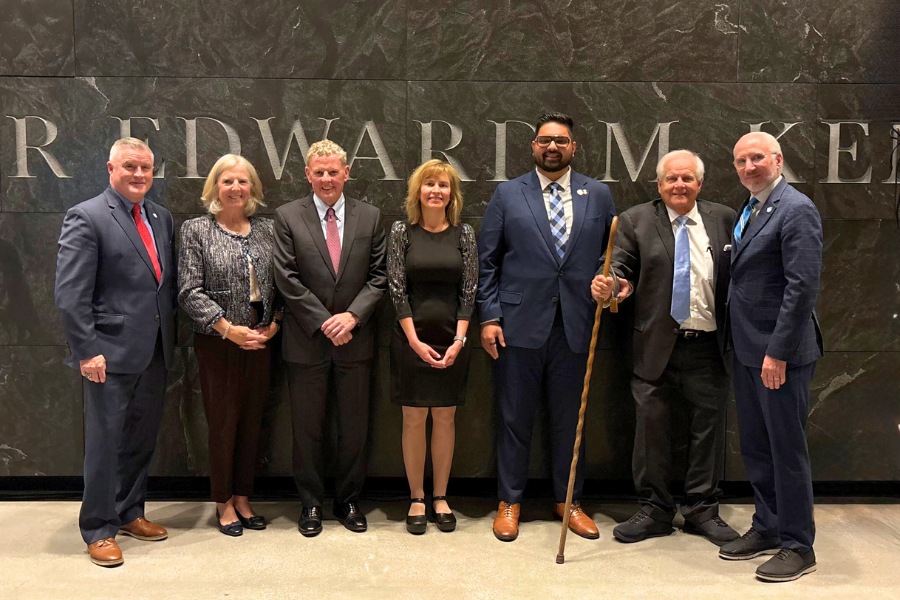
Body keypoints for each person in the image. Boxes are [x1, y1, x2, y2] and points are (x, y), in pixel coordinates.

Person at [477, 113, 615, 542]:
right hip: (517, 325)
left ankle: (568, 500)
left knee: (570, 420)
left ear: (574, 147)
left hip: (576, 324)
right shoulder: (507, 194)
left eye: (561, 141)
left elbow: (611, 256)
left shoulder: (598, 194)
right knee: (515, 417)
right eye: (544, 140)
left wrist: (611, 285)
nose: (552, 147)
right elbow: (487, 262)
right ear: (533, 146)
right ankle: (510, 501)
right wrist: (490, 316)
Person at [591, 150, 739, 546]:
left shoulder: (724, 218)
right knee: (650, 432)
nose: (679, 185)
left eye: (687, 178)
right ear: (658, 184)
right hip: (654, 346)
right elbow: (618, 267)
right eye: (672, 179)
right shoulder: (636, 220)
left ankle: (701, 510)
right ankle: (654, 509)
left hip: (709, 346)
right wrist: (613, 285)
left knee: (707, 432)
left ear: (700, 184)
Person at [55, 137, 176, 567]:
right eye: (130, 166)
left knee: (139, 441)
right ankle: (99, 528)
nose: (139, 174)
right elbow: (71, 295)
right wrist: (87, 351)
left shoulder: (160, 217)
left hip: (155, 351)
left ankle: (129, 513)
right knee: (105, 444)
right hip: (107, 353)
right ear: (110, 168)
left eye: (146, 167)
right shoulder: (86, 217)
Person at [718, 132, 823, 582]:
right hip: (746, 349)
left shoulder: (796, 209)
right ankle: (767, 526)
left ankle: (798, 545)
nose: (748, 167)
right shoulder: (753, 205)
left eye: (757, 158)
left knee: (786, 450)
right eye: (741, 161)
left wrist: (777, 353)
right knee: (758, 448)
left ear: (778, 159)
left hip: (780, 353)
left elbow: (801, 288)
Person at [273, 139, 387, 536]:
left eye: (333, 171)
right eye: (318, 172)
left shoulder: (370, 216)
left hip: (356, 340)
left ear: (346, 173)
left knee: (354, 428)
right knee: (307, 430)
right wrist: (325, 322)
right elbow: (286, 278)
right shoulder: (287, 216)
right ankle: (311, 505)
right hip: (307, 342)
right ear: (307, 175)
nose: (326, 178)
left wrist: (352, 317)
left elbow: (380, 275)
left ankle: (350, 501)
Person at [178, 154, 281, 537]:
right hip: (218, 343)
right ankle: (223, 502)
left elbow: (282, 283)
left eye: (243, 181)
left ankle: (243, 496)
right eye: (227, 181)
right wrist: (227, 329)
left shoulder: (268, 230)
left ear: (252, 188)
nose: (236, 188)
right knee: (222, 423)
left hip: (260, 338)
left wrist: (273, 325)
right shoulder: (196, 230)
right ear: (215, 187)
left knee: (253, 422)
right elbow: (188, 291)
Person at [388, 160, 477, 534]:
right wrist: (413, 340)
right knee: (413, 417)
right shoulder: (400, 232)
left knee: (444, 417)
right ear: (418, 192)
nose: (436, 191)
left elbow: (469, 290)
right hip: (410, 337)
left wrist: (459, 339)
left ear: (451, 193)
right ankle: (417, 498)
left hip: (453, 338)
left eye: (443, 185)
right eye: (429, 185)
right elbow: (396, 287)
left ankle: (440, 497)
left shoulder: (465, 234)